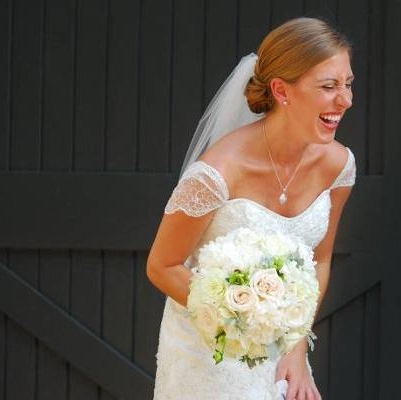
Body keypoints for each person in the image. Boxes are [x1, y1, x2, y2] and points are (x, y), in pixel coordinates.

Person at [146, 16, 356, 400]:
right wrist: (242, 318)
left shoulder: (338, 166)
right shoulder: (216, 173)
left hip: (283, 349)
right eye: (328, 87)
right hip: (208, 352)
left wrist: (294, 346)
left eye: (347, 84)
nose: (345, 100)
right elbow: (161, 266)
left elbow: (319, 260)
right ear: (282, 90)